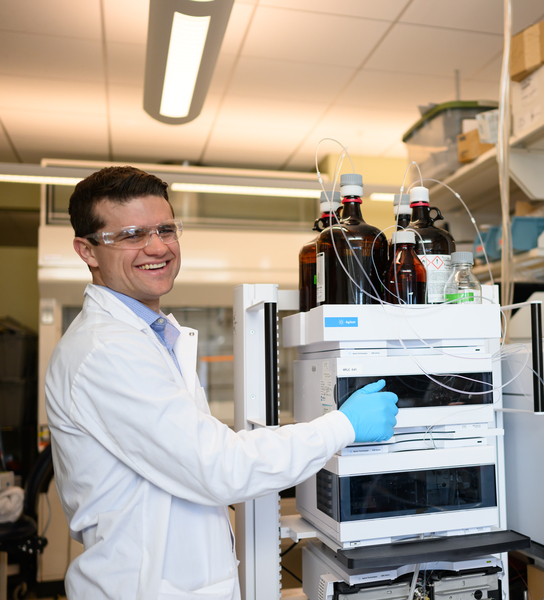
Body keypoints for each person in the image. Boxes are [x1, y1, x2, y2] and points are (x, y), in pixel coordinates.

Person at [44, 166, 399, 600]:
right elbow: (220, 467)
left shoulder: (147, 335)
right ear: (88, 250)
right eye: (133, 234)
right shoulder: (107, 351)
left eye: (166, 229)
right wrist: (343, 425)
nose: (157, 247)